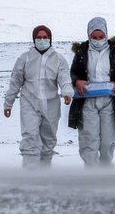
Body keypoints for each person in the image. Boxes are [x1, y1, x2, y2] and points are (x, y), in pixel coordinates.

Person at [4, 25, 73, 167]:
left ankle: (44, 174)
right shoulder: (25, 58)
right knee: (29, 136)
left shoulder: (59, 59)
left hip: (51, 104)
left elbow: (64, 78)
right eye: (39, 37)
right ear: (34, 39)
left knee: (48, 140)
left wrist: (67, 92)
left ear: (50, 39)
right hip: (29, 102)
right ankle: (29, 173)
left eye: (45, 37)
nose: (42, 40)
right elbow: (15, 82)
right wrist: (8, 103)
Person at [69, 17, 115, 167]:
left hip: (108, 101)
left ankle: (106, 173)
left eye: (101, 36)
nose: (97, 39)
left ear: (106, 35)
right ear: (89, 35)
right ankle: (91, 173)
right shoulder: (82, 51)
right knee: (89, 139)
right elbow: (73, 72)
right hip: (87, 101)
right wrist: (77, 81)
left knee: (107, 140)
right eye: (94, 37)